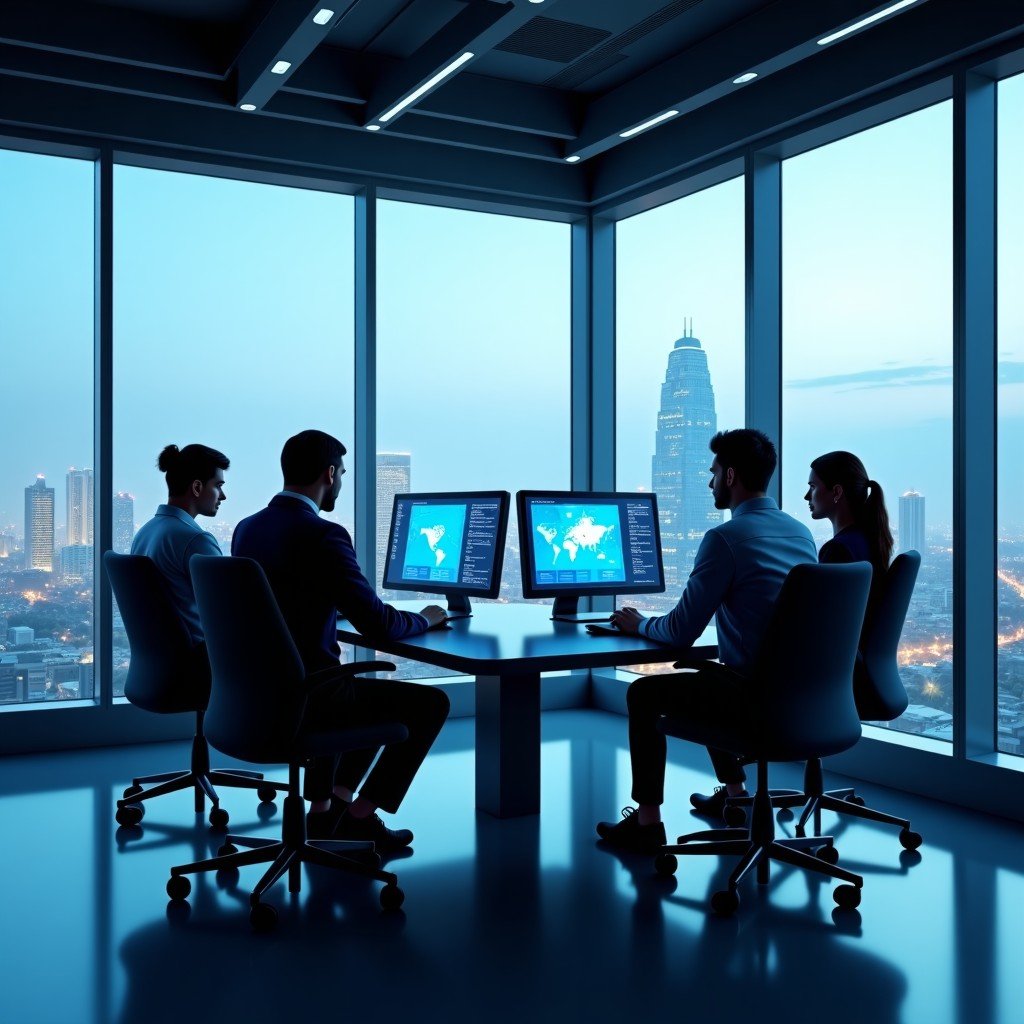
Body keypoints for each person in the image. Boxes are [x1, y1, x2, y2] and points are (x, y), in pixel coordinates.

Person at [595, 428, 817, 853]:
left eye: (713, 472)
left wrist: (638, 623)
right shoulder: (799, 532)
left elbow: (680, 631)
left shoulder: (725, 539)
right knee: (717, 676)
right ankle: (735, 796)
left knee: (644, 694)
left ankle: (647, 823)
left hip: (754, 698)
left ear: (731, 476)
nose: (709, 482)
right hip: (802, 695)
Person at [231, 429, 450, 849]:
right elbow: (380, 626)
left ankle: (327, 809)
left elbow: (287, 595)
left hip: (256, 694)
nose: (342, 482)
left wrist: (333, 602)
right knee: (430, 703)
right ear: (329, 474)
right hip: (307, 697)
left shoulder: (248, 528)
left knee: (349, 689)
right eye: (343, 473)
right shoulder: (322, 534)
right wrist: (424, 618)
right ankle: (360, 815)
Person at [131, 443, 229, 644]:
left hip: (160, 662)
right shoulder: (195, 540)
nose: (223, 496)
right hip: (200, 663)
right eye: (218, 486)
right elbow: (225, 611)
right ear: (197, 487)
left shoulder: (144, 533)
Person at [805, 450, 893, 632]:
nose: (807, 496)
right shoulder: (869, 541)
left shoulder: (838, 550)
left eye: (813, 486)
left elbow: (823, 623)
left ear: (837, 492)